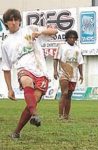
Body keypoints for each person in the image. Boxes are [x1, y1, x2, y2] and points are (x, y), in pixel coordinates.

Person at [1, 8, 58, 139]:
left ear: (20, 21)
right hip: (23, 69)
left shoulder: (29, 29)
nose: (14, 22)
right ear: (6, 23)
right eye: (10, 20)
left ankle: (16, 132)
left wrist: (39, 32)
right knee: (26, 80)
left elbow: (54, 31)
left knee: (34, 101)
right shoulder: (5, 44)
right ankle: (35, 114)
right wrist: (9, 89)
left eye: (16, 19)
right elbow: (6, 68)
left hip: (41, 71)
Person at [53, 30, 84, 120]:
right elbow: (56, 59)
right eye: (70, 37)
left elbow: (80, 63)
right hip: (63, 73)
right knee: (64, 93)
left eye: (74, 38)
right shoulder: (62, 47)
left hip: (74, 74)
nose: (72, 39)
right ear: (67, 38)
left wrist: (81, 74)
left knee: (69, 95)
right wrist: (55, 71)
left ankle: (66, 115)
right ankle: (60, 115)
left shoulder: (78, 49)